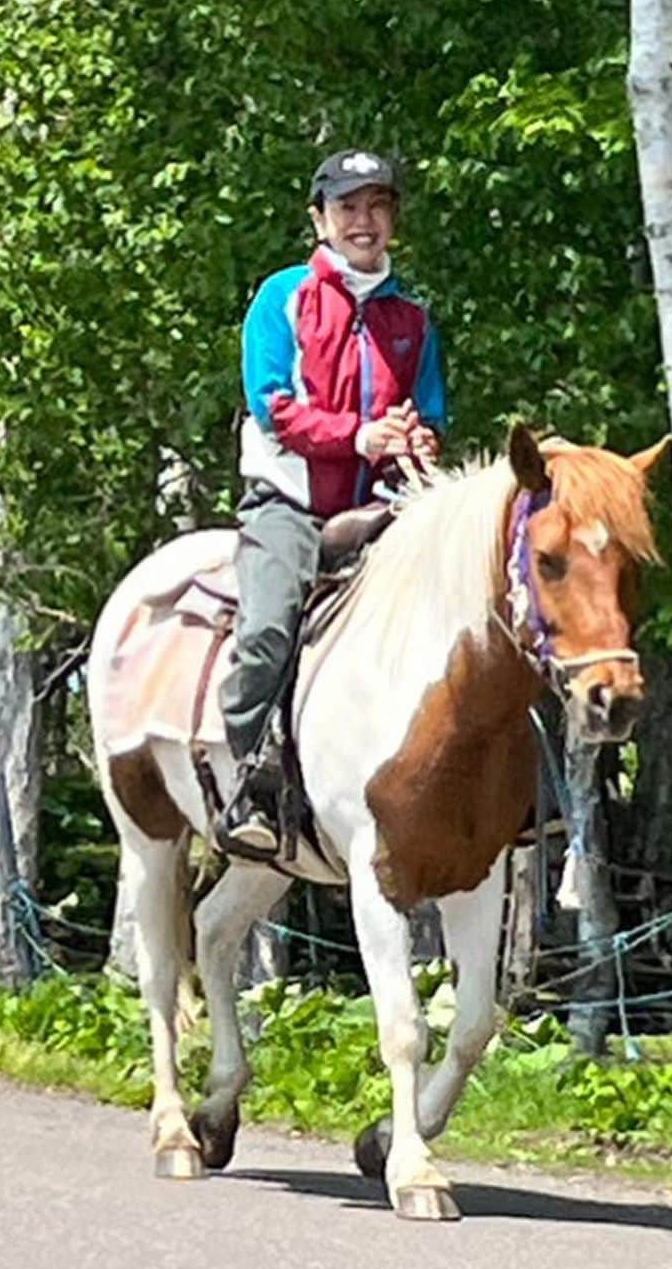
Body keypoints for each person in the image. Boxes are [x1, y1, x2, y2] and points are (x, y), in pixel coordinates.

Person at [220, 148, 446, 855]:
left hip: (383, 506)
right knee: (265, 630)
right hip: (289, 503)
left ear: (394, 222)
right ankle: (252, 784)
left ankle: (507, 785)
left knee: (490, 599)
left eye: (378, 206)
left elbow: (431, 414)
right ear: (319, 220)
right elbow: (274, 408)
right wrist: (363, 436)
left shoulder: (412, 317)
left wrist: (419, 440)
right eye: (348, 207)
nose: (364, 221)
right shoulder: (281, 297)